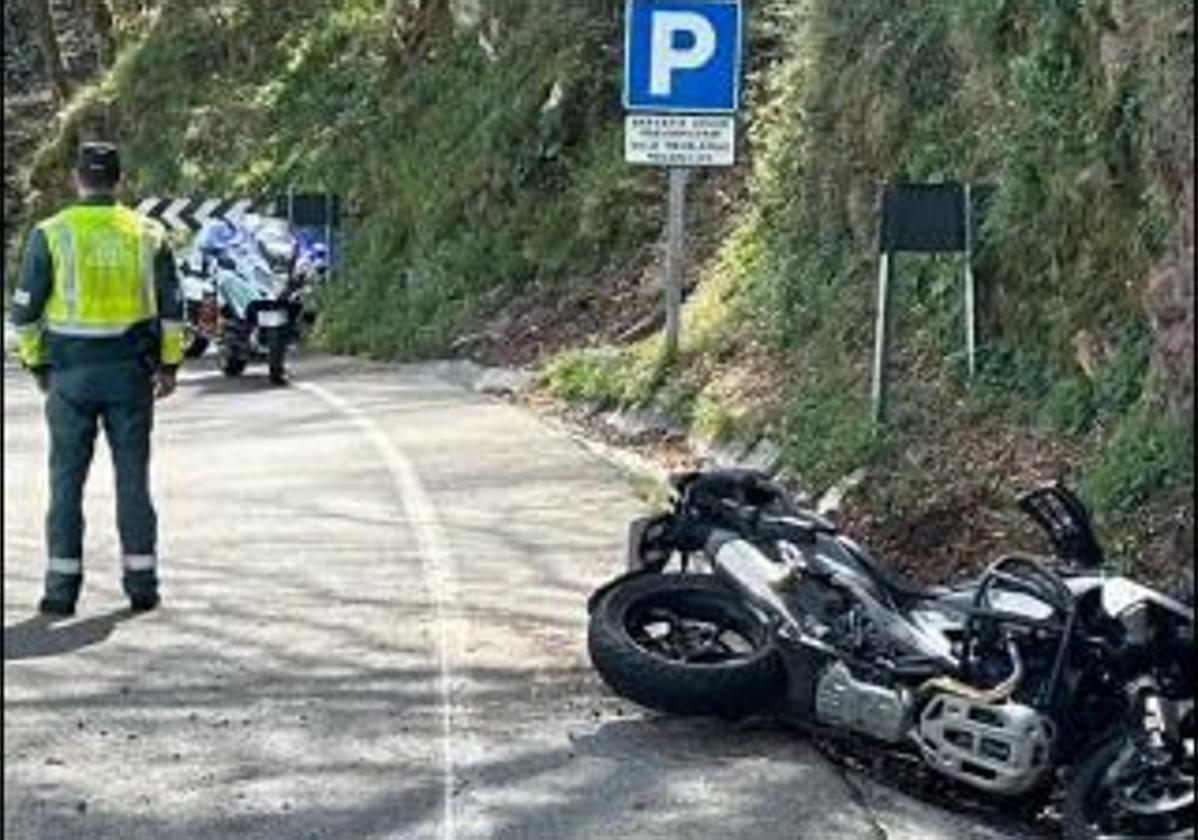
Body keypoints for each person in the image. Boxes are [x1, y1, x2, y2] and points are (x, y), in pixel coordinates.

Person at [9, 141, 185, 617]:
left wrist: (39, 365)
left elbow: (23, 315)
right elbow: (173, 313)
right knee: (133, 479)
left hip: (69, 378)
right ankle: (142, 583)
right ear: (120, 180)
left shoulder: (52, 233)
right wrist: (169, 367)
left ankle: (61, 591)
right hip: (131, 377)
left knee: (65, 483)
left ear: (76, 179)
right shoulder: (148, 233)